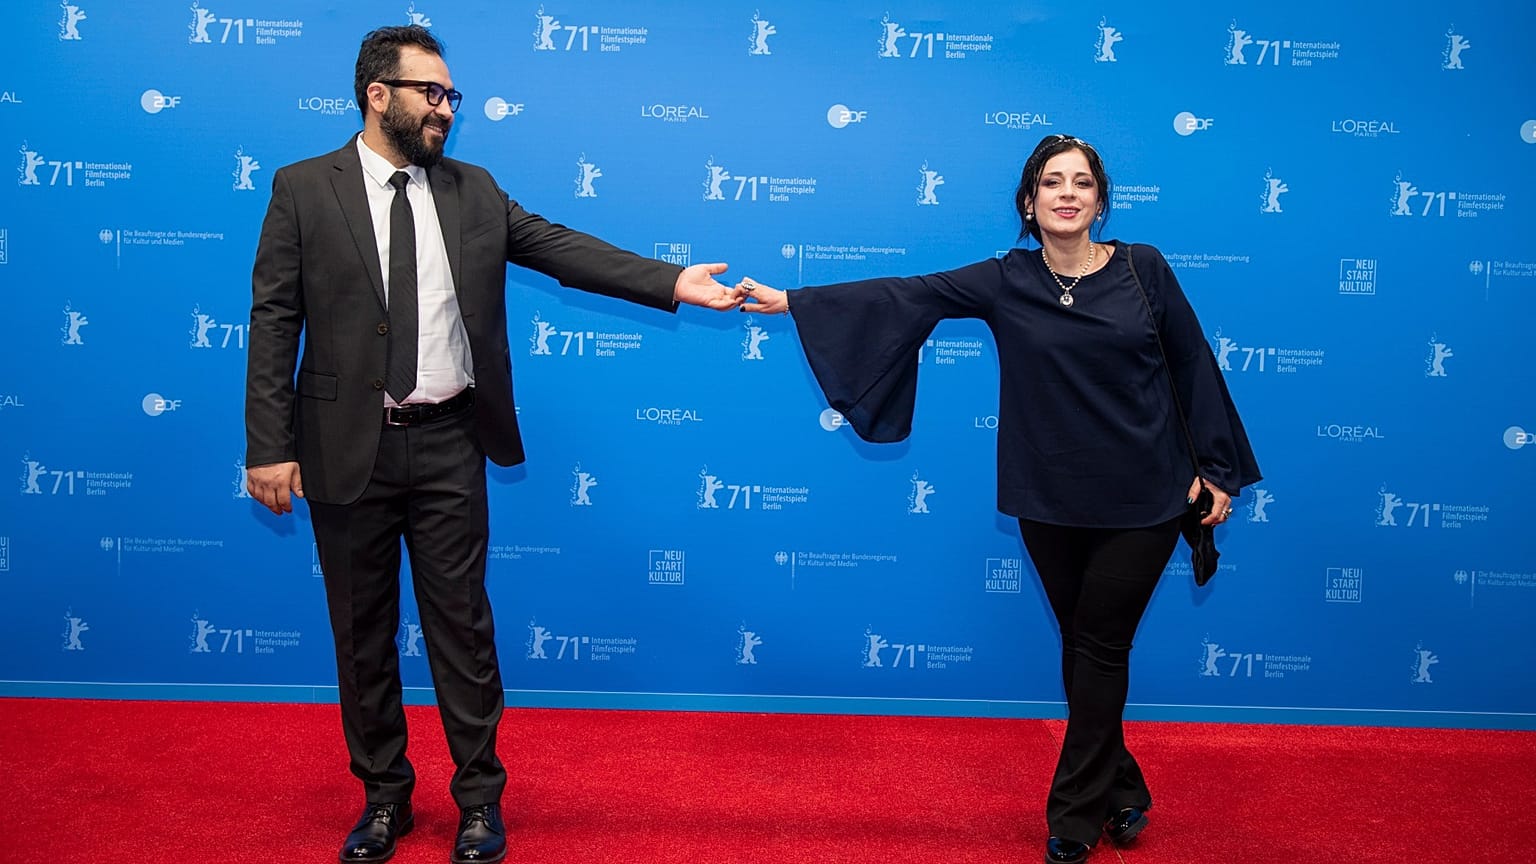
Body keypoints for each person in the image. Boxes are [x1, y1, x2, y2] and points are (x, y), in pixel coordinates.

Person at [243, 25, 741, 864]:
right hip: (340, 446)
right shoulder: (302, 188)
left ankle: (479, 801)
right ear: (378, 95)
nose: (445, 109)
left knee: (463, 629)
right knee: (360, 636)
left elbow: (558, 248)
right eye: (430, 93)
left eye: (451, 97)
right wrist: (268, 445)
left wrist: (670, 281)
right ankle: (384, 801)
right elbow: (273, 321)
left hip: (446, 444)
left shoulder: (474, 191)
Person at [737, 133, 1260, 864]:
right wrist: (794, 300)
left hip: (1144, 493)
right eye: (1053, 182)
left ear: (1101, 201)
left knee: (1102, 645)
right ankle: (1123, 788)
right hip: (1046, 492)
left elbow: (1193, 364)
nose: (1068, 193)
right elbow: (907, 294)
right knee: (1082, 645)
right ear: (1029, 201)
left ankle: (1073, 819)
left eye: (1082, 182)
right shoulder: (1006, 278)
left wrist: (1219, 468)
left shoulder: (1145, 269)